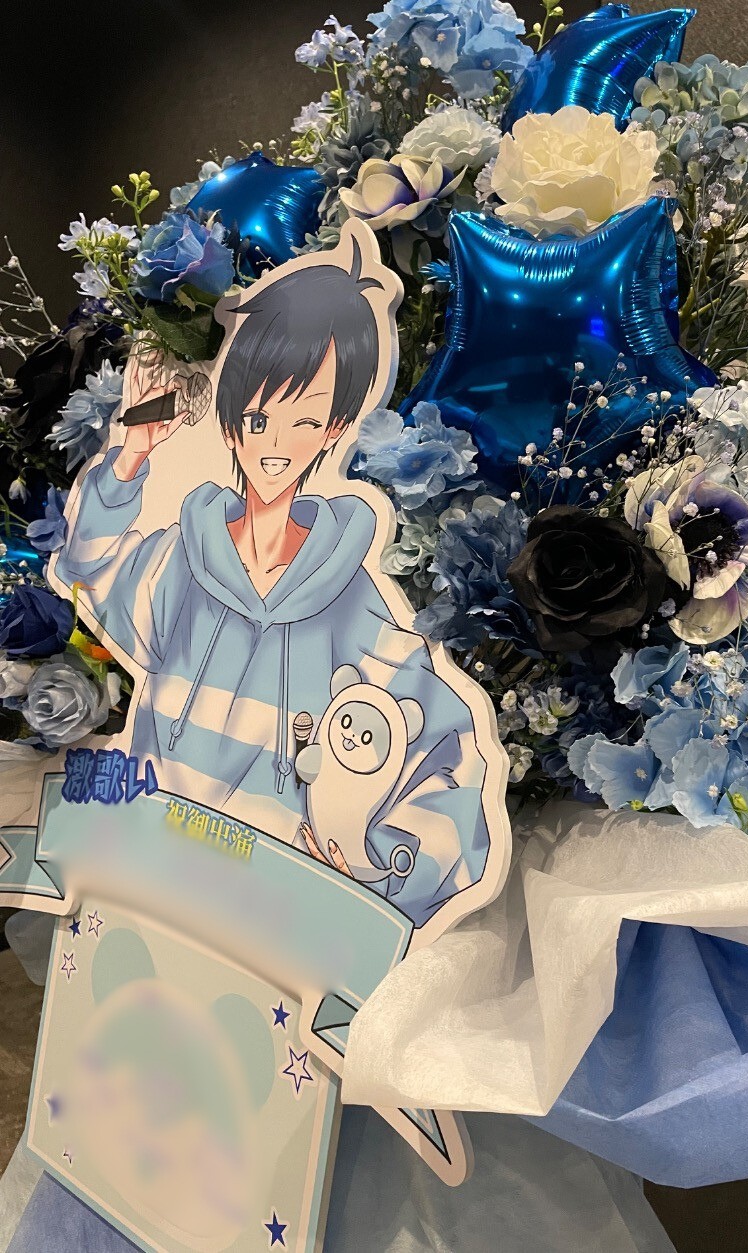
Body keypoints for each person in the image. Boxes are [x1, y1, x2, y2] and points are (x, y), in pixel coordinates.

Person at [53, 243, 496, 930]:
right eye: (259, 418)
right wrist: (132, 454)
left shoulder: (354, 603)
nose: (277, 443)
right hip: (148, 890)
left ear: (336, 429)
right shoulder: (183, 559)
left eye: (306, 420)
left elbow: (450, 749)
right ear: (232, 421)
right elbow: (91, 569)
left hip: (268, 928)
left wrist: (381, 862)